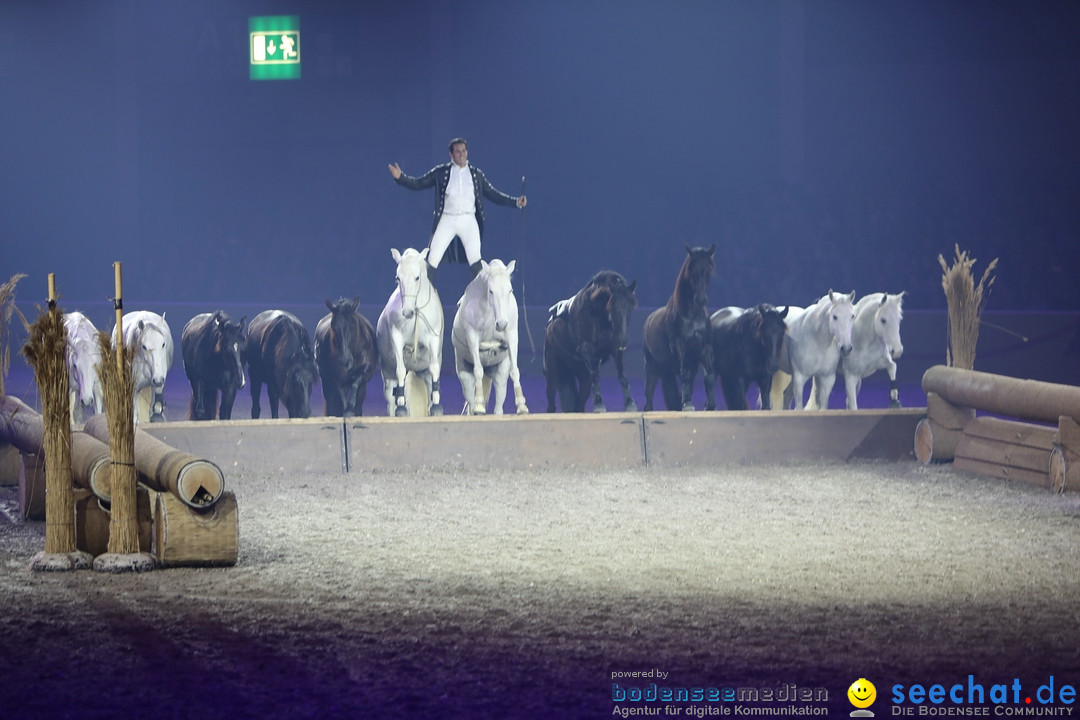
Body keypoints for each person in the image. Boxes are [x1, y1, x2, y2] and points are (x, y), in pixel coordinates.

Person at [388, 137, 527, 284]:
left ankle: (481, 297)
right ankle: (422, 296)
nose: (461, 154)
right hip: (447, 219)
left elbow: (493, 194)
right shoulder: (441, 172)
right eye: (457, 152)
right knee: (433, 258)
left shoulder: (476, 175)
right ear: (451, 154)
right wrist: (401, 178)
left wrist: (515, 202)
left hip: (468, 220)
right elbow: (418, 183)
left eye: (463, 151)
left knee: (475, 259)